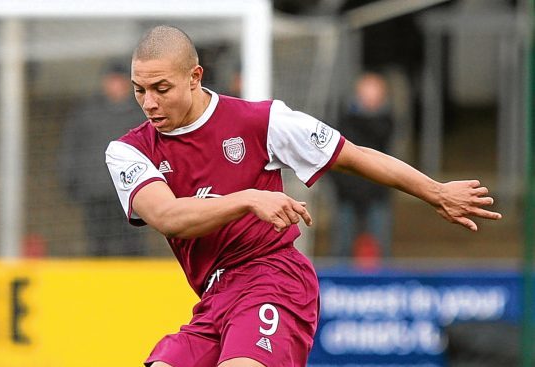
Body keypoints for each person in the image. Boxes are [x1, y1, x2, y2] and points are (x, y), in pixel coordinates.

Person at [105, 25, 501, 367]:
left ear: (194, 76)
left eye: (161, 88)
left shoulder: (262, 121)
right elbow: (168, 216)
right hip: (213, 296)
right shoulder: (128, 151)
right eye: (140, 90)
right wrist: (248, 198)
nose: (149, 103)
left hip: (272, 277)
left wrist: (434, 191)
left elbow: (354, 156)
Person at [59, 60, 149, 256]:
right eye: (111, 81)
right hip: (96, 193)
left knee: (131, 244)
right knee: (98, 244)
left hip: (131, 193)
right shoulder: (87, 113)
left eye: (120, 81)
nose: (115, 86)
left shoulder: (141, 114)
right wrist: (71, 180)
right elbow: (72, 148)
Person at [331, 71, 394, 258]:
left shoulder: (386, 122)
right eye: (366, 90)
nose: (369, 96)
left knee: (380, 248)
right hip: (347, 194)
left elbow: (379, 136)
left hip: (376, 194)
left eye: (374, 91)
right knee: (342, 247)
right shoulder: (342, 121)